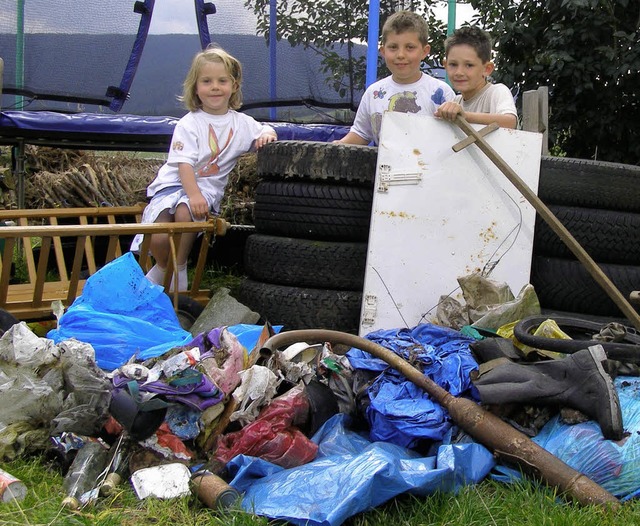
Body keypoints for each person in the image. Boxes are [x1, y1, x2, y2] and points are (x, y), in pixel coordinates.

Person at [130, 46, 277, 291]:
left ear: (234, 86)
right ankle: (163, 268)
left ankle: (179, 266)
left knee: (185, 213)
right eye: (207, 81)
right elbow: (184, 163)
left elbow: (264, 130)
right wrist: (193, 193)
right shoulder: (189, 123)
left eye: (222, 81)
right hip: (173, 185)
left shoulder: (241, 123)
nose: (215, 87)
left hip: (205, 189)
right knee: (157, 236)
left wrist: (267, 135)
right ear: (195, 87)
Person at [338, 10, 455, 146]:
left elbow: (454, 138)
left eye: (410, 47)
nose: (400, 54)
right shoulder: (373, 93)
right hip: (384, 167)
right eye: (393, 47)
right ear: (383, 51)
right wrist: (337, 147)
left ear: (424, 51)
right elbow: (361, 133)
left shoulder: (441, 92)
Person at [435, 26, 517, 129]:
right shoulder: (456, 101)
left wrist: (464, 116)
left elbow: (510, 122)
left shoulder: (496, 92)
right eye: (453, 64)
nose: (459, 72)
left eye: (469, 65)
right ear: (445, 65)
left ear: (487, 69)